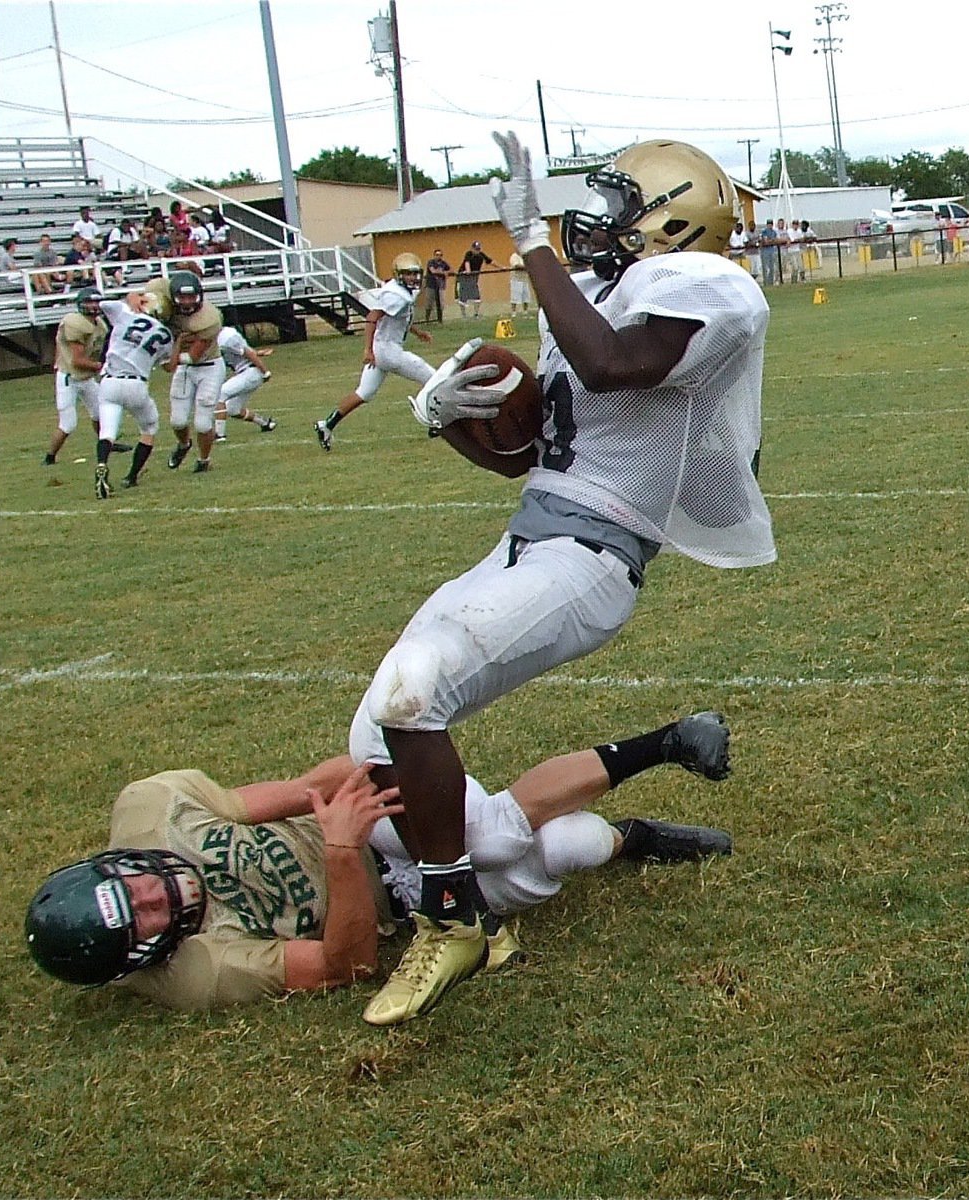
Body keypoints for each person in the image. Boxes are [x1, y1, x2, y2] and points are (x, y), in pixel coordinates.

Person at [353, 130, 776, 1025]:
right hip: (531, 539)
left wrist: (532, 245)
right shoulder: (589, 295)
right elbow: (524, 457)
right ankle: (478, 897)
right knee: (372, 739)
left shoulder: (715, 289)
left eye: (621, 203)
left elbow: (614, 364)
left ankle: (451, 917)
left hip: (593, 559)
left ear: (671, 221)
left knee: (412, 691)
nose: (595, 218)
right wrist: (444, 409)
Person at [24, 711, 732, 1013]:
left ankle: (666, 741)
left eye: (136, 888)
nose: (157, 897)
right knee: (562, 848)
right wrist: (336, 859)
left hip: (372, 824)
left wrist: (362, 808)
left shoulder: (153, 809)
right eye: (146, 920)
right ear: (144, 956)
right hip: (386, 897)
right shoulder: (197, 973)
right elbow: (350, 966)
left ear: (110, 863)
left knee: (488, 838)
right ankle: (631, 839)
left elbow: (311, 785)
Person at [313, 253, 434, 451]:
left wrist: (418, 332)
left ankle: (327, 425)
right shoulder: (396, 294)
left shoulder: (402, 292)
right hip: (388, 351)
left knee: (364, 393)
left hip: (382, 348)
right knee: (434, 379)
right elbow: (372, 318)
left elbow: (397, 318)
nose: (414, 278)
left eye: (415, 273)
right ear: (398, 275)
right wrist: (367, 349)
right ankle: (432, 422)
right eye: (409, 274)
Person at [92, 291, 174, 498]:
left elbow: (102, 304)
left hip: (109, 381)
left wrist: (130, 298)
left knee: (107, 432)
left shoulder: (124, 314)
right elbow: (168, 366)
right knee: (149, 428)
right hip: (136, 384)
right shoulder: (166, 335)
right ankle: (131, 475)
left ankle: (102, 464)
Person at [162, 270, 225, 474]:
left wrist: (172, 352)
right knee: (177, 421)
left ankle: (203, 459)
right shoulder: (168, 310)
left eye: (191, 297)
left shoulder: (208, 317)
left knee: (202, 422)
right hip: (186, 369)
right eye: (182, 297)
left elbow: (192, 356)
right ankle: (183, 445)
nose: (187, 302)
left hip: (208, 366)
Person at [43, 286, 110, 466]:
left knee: (101, 413)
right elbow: (77, 361)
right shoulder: (75, 323)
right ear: (80, 305)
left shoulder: (100, 324)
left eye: (96, 302)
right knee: (68, 424)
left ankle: (106, 444)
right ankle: (50, 457)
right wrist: (102, 366)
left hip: (86, 378)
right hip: (69, 378)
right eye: (89, 302)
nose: (94, 306)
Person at [212, 326, 277, 442]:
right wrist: (259, 353)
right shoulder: (217, 337)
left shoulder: (227, 337)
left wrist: (265, 371)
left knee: (219, 394)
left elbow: (247, 352)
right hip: (246, 372)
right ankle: (265, 423)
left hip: (250, 372)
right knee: (233, 409)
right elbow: (243, 351)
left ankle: (219, 435)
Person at [456, 240, 493, 317]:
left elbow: (490, 261)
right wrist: (468, 271)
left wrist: (502, 267)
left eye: (478, 249)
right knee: (463, 298)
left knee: (477, 298)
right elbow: (467, 262)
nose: (477, 251)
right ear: (472, 248)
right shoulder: (469, 254)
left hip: (473, 277)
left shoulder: (481, 255)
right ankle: (463, 315)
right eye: (476, 249)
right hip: (464, 277)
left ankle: (476, 314)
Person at [423, 249, 450, 322]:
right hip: (431, 285)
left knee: (441, 303)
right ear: (434, 255)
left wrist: (446, 272)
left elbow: (450, 270)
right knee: (429, 303)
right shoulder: (431, 262)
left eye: (440, 255)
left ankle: (440, 320)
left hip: (441, 286)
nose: (439, 256)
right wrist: (443, 272)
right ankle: (427, 320)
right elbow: (433, 271)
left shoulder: (444, 263)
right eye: (437, 255)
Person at [509, 250, 533, 316]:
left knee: (526, 296)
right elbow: (517, 266)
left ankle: (525, 311)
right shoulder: (514, 256)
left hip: (525, 279)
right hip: (516, 279)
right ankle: (513, 312)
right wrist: (527, 267)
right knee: (515, 296)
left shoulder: (525, 255)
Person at [759, 219, 780, 286]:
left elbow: (776, 240)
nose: (770, 225)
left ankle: (771, 283)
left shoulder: (774, 232)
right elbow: (766, 241)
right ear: (767, 225)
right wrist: (772, 240)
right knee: (766, 268)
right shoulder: (764, 231)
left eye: (771, 224)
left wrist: (771, 240)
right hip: (765, 251)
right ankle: (766, 282)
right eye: (769, 224)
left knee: (772, 268)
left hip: (772, 251)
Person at [786, 219, 804, 284]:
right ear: (792, 225)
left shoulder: (799, 231)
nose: (795, 226)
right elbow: (792, 240)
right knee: (795, 267)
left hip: (797, 250)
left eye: (797, 224)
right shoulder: (789, 231)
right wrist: (797, 240)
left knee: (801, 266)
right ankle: (794, 281)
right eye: (794, 224)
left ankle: (802, 279)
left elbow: (802, 238)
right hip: (791, 251)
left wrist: (797, 240)